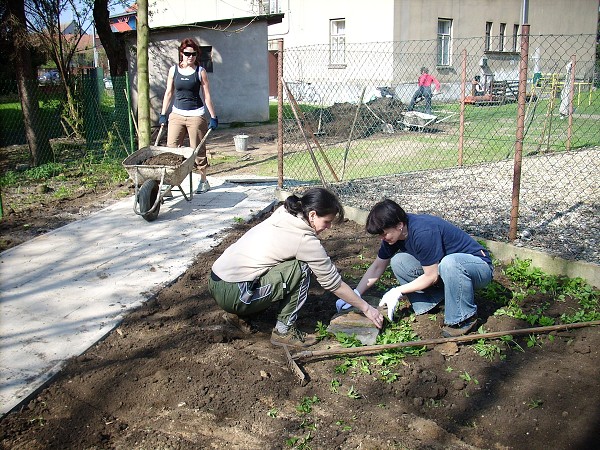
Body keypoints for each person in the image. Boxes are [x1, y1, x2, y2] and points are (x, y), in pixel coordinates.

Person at [208, 188, 384, 347]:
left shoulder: (285, 212)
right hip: (235, 293)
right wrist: (366, 308)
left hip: (216, 280)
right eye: (327, 221)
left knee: (282, 266)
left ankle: (238, 315)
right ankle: (284, 331)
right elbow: (333, 284)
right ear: (313, 215)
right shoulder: (305, 240)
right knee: (300, 269)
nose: (329, 227)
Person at [337, 199, 493, 338]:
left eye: (384, 234)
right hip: (448, 271)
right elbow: (378, 266)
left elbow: (431, 276)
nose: (381, 238)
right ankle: (433, 302)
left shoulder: (423, 232)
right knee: (399, 261)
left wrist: (398, 290)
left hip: (477, 268)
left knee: (449, 263)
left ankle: (463, 318)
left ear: (399, 225)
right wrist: (355, 294)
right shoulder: (395, 234)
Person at [159, 38, 218, 194]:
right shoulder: (173, 70)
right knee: (171, 150)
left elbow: (207, 96)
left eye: (193, 54)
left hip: (196, 116)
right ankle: (168, 184)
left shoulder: (200, 72)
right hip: (176, 115)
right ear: (181, 53)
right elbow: (169, 93)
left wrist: (213, 116)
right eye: (187, 54)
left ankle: (204, 181)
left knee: (198, 150)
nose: (190, 57)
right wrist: (163, 114)